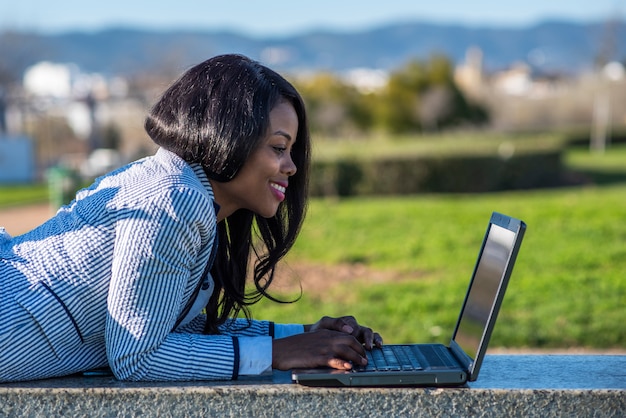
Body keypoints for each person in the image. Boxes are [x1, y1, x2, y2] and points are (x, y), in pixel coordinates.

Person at [0, 54, 382, 382]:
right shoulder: (174, 200)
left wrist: (306, 335)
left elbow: (173, 327)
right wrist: (277, 353)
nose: (292, 166)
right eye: (279, 147)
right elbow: (137, 357)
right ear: (229, 136)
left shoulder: (181, 190)